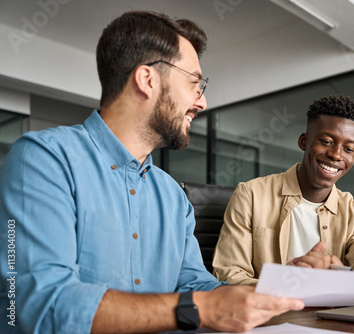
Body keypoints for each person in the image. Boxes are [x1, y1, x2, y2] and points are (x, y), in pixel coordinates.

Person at [0, 11, 305, 334]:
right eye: (194, 84)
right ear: (147, 80)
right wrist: (199, 309)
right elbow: (43, 305)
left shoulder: (172, 195)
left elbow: (193, 284)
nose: (202, 102)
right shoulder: (43, 160)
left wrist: (275, 289)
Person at [212, 94, 354, 308]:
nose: (337, 155)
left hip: (327, 321)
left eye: (348, 149)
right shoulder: (251, 195)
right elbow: (229, 275)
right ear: (304, 141)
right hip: (268, 318)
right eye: (327, 141)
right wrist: (285, 287)